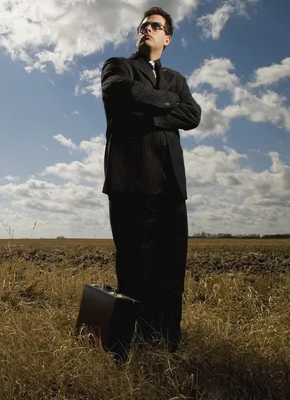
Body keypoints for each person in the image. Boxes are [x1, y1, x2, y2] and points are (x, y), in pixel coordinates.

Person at [100, 6, 201, 354]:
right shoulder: (118, 66)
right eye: (144, 25)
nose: (148, 29)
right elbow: (122, 93)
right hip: (131, 182)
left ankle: (167, 342)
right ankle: (122, 350)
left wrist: (153, 113)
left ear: (167, 38)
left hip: (171, 185)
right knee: (134, 272)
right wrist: (168, 105)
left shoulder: (178, 80)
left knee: (172, 272)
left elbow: (193, 115)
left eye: (156, 26)